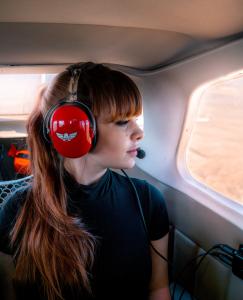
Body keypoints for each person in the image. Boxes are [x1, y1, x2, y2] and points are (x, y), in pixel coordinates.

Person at [0, 62, 171, 300]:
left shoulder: (148, 200)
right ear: (75, 127)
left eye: (136, 120)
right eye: (123, 122)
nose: (139, 132)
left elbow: (158, 289)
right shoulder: (17, 210)